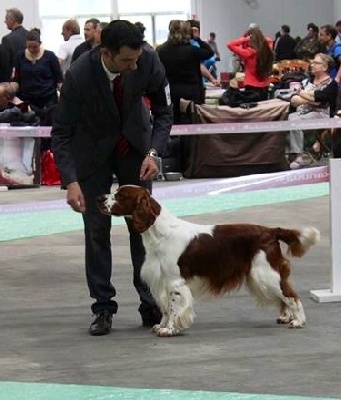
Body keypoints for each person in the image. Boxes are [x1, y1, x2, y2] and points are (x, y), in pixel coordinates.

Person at [51, 20, 173, 336]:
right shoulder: (78, 74)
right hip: (92, 152)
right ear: (106, 53)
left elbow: (163, 111)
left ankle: (150, 303)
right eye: (126, 61)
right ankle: (103, 307)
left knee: (142, 226)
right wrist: (71, 180)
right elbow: (61, 132)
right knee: (96, 230)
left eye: (137, 59)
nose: (135, 66)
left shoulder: (147, 59)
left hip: (135, 149)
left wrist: (155, 152)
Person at [287, 53, 338, 169]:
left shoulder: (332, 84)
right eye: (312, 62)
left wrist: (300, 93)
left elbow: (319, 101)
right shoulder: (307, 81)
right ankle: (290, 154)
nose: (312, 65)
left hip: (322, 114)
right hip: (303, 112)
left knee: (294, 121)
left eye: (316, 63)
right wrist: (309, 97)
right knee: (287, 118)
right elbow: (293, 100)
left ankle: (298, 157)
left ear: (324, 67)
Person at [156, 20, 213, 124]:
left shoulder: (160, 50)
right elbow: (210, 53)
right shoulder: (192, 50)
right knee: (192, 122)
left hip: (170, 91)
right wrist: (198, 39)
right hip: (191, 92)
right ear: (187, 33)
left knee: (173, 121)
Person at [227, 27, 273, 101]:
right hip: (265, 85)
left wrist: (244, 39)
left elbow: (230, 44)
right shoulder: (267, 50)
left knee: (253, 110)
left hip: (251, 85)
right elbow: (270, 40)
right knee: (263, 109)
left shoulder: (248, 53)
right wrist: (259, 37)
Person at [1, 8, 28, 82]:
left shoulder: (7, 39)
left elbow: (5, 65)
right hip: (30, 80)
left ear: (12, 20)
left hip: (14, 81)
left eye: (6, 19)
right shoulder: (30, 35)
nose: (5, 21)